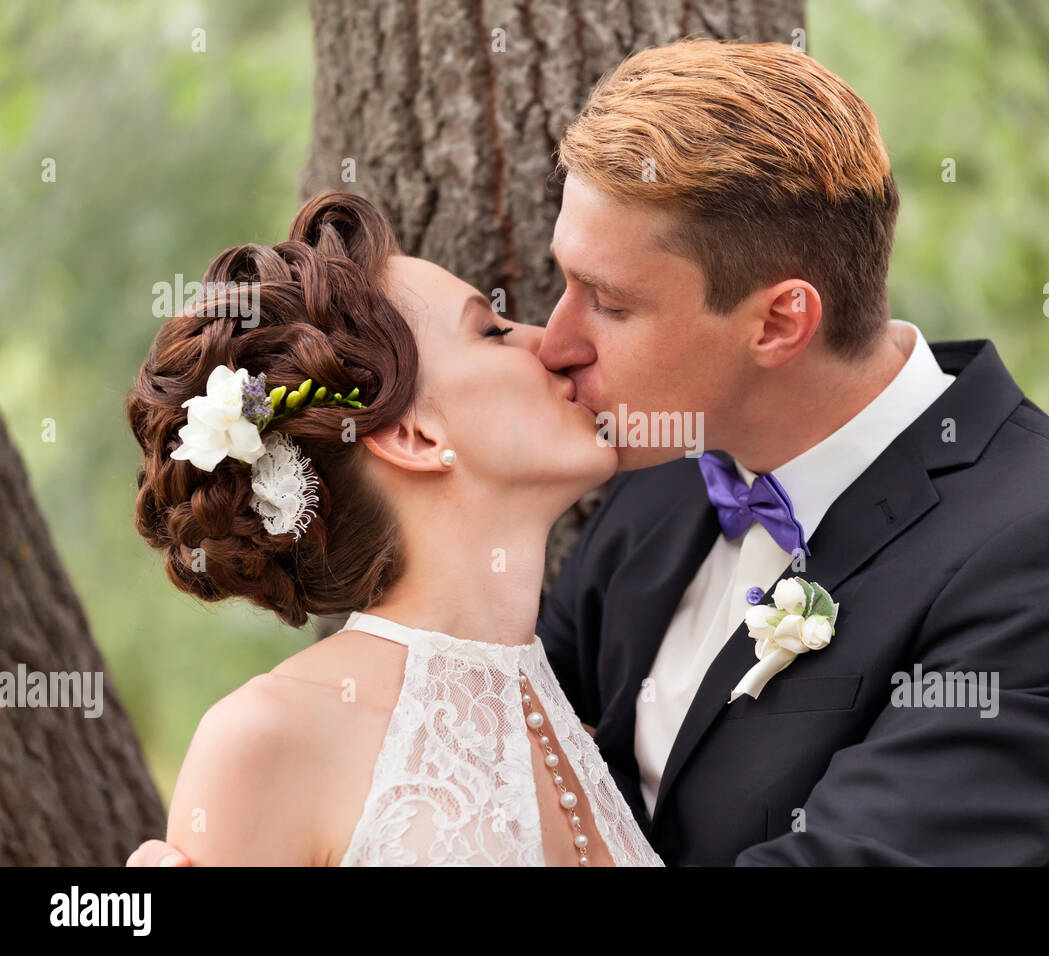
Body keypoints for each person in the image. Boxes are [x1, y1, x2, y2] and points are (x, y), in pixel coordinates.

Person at [130, 38, 1049, 868]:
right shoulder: (655, 486)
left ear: (777, 323)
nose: (557, 336)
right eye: (549, 288)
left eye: (612, 302)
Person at [125, 190, 663, 866]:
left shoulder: (573, 729)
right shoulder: (268, 736)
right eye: (491, 331)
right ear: (411, 434)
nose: (550, 345)